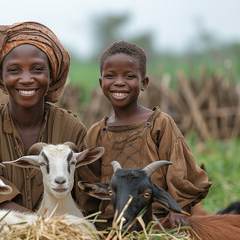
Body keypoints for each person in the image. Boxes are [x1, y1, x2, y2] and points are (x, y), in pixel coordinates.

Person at [76, 41, 212, 229]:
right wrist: (90, 223)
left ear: (144, 82)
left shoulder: (159, 124)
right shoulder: (96, 133)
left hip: (156, 222)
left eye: (129, 76)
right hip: (110, 224)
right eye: (110, 76)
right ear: (101, 83)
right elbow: (88, 184)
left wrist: (179, 209)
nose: (119, 82)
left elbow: (180, 172)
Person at [0, 21, 87, 212]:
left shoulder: (72, 128)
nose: (26, 79)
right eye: (14, 70)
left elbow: (85, 194)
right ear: (1, 77)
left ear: (51, 76)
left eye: (37, 69)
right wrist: (36, 226)